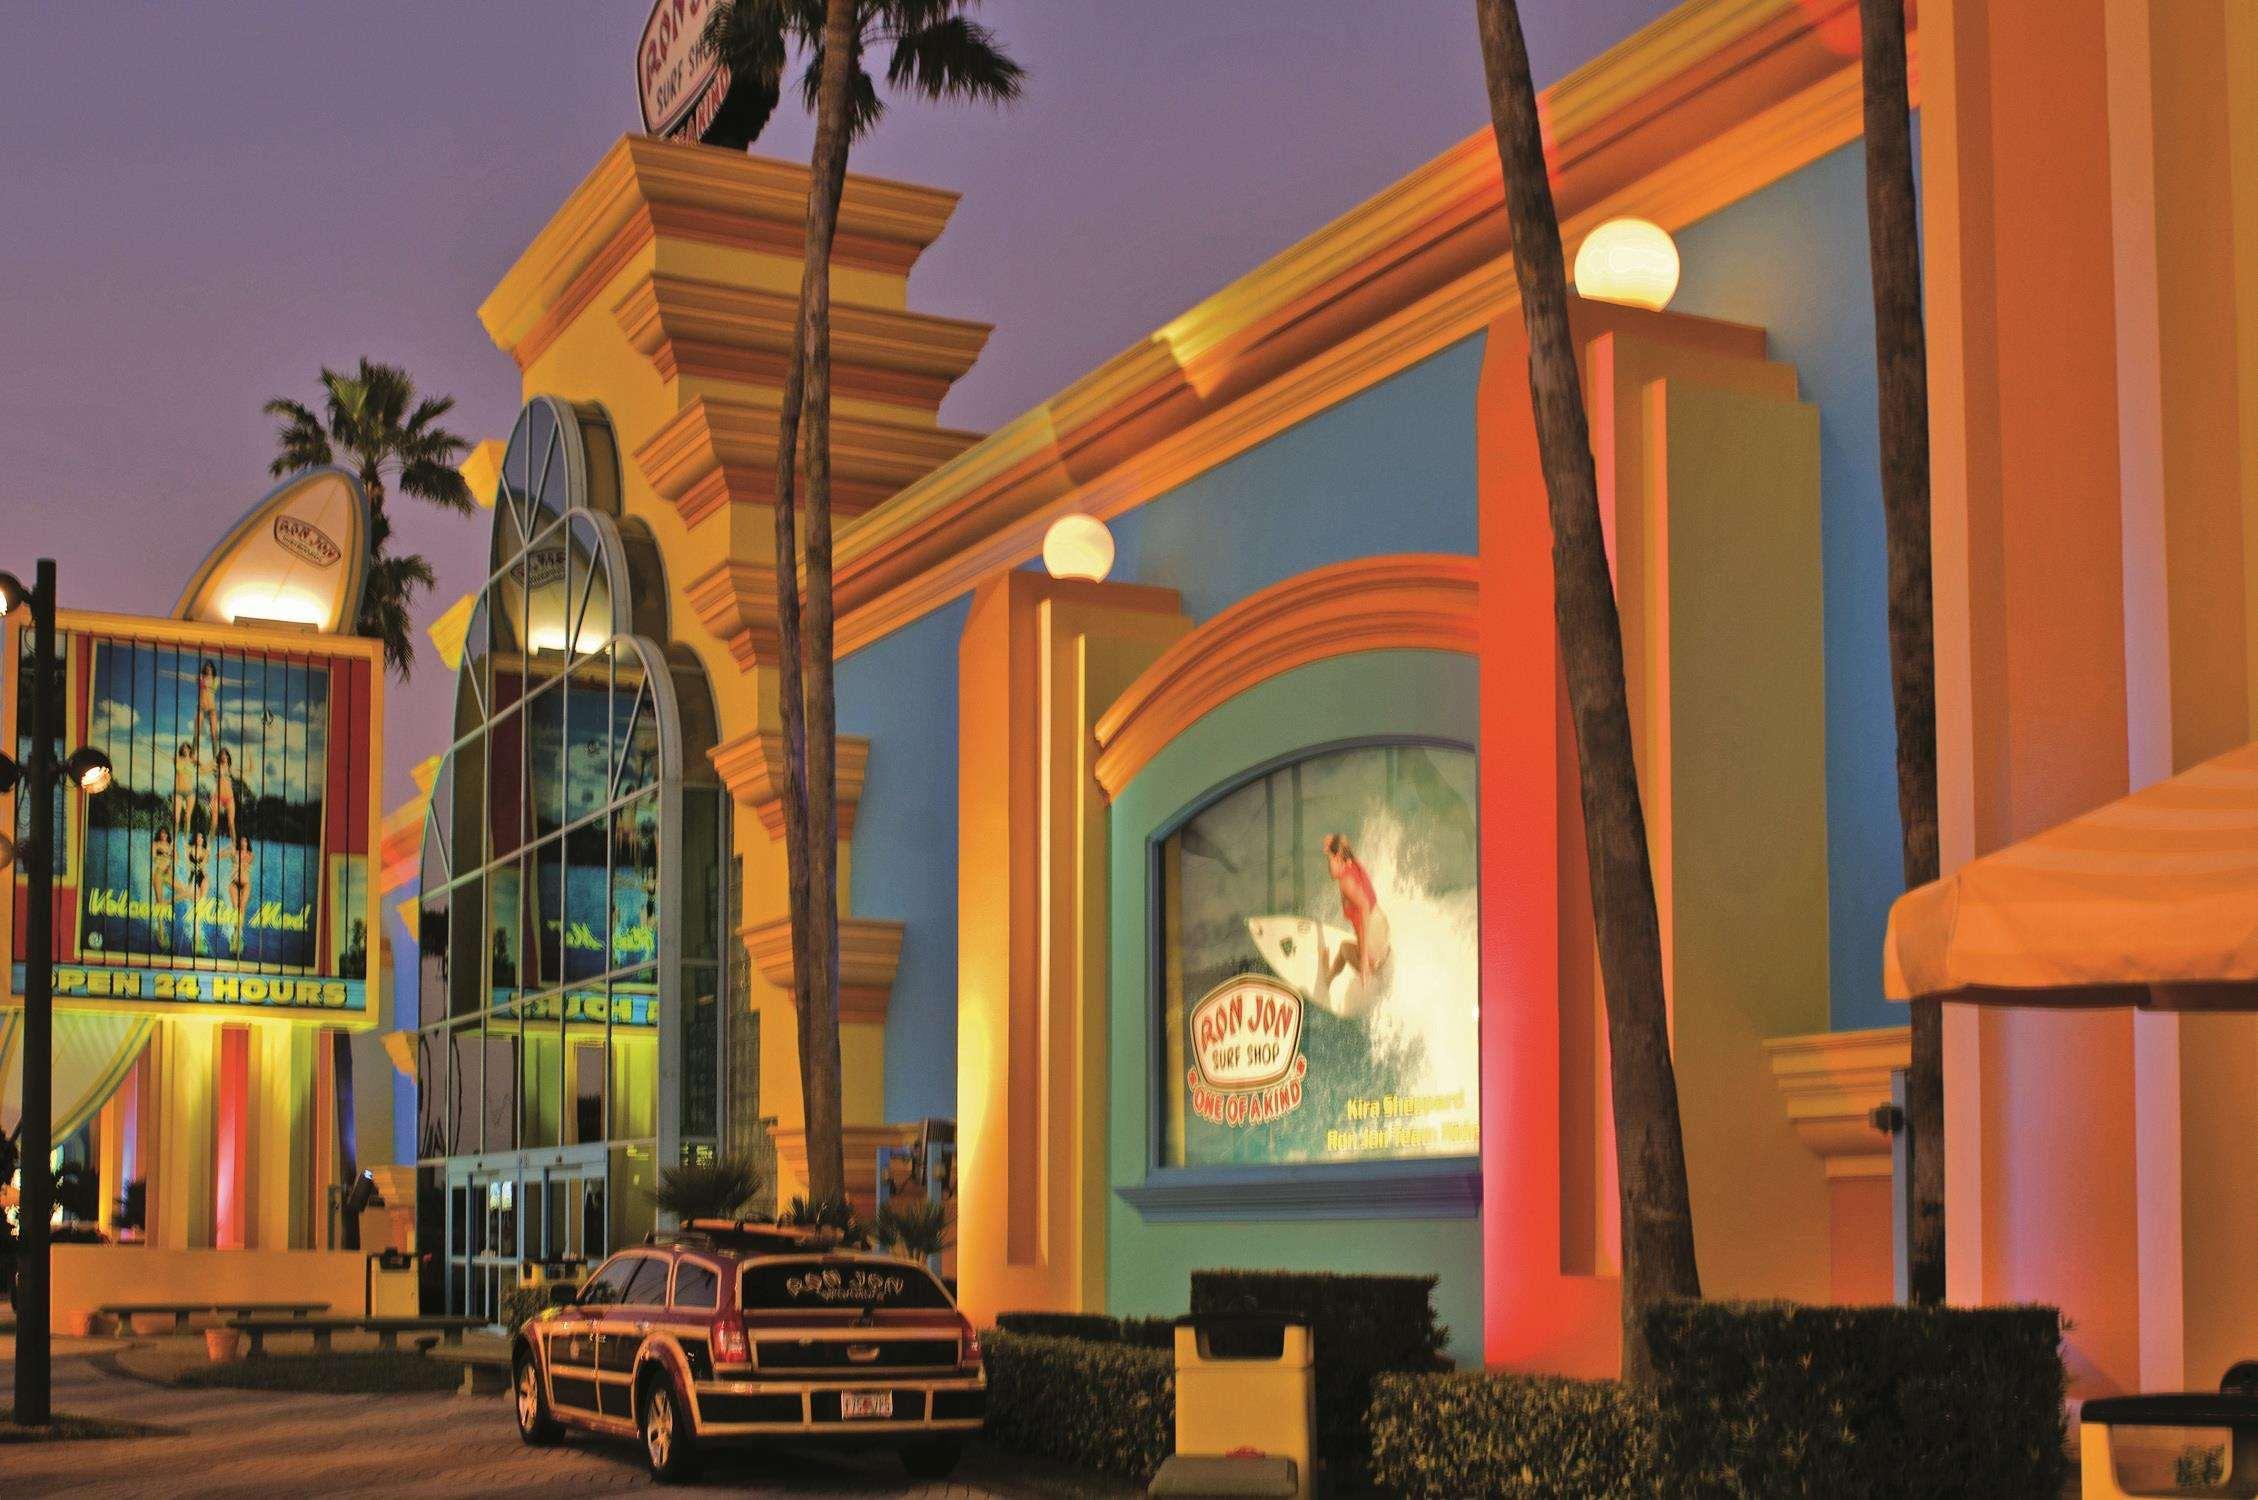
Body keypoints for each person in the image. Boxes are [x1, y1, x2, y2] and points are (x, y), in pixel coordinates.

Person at [1315, 833, 1393, 1009]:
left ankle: (1327, 979)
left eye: (1331, 860)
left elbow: (1364, 908)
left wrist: (1364, 959)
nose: (1330, 869)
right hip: (1381, 928)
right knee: (1362, 950)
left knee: (1343, 948)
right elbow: (1342, 845)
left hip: (1372, 937)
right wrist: (1330, 847)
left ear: (1338, 857)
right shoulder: (1353, 863)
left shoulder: (1346, 882)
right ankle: (1377, 970)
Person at [226, 835, 254, 955]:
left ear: (248, 843)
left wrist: (237, 862)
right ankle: (235, 934)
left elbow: (245, 863)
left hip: (246, 885)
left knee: (242, 909)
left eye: (245, 841)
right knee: (236, 910)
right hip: (233, 884)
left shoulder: (250, 855)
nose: (243, 843)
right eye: (241, 841)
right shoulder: (234, 852)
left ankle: (237, 935)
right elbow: (222, 855)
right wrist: (228, 850)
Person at [194, 660, 223, 762]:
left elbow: (228, 682)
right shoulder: (200, 677)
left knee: (214, 733)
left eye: (210, 666)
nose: (208, 668)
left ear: (212, 668)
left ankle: (215, 758)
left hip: (211, 708)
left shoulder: (216, 679)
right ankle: (193, 754)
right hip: (201, 706)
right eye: (207, 666)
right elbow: (191, 678)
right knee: (197, 731)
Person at [211, 746, 239, 844]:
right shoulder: (216, 767)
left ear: (228, 757)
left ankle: (234, 845)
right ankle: (209, 846)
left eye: (225, 755)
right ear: (220, 757)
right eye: (222, 754)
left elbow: (249, 770)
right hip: (218, 797)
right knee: (214, 823)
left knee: (231, 823)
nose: (224, 756)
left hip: (229, 798)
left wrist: (249, 754)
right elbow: (202, 770)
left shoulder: (231, 769)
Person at [172, 740, 198, 837]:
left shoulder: (193, 761)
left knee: (187, 817)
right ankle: (174, 840)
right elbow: (165, 755)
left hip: (190, 792)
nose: (185, 750)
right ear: (181, 750)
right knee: (176, 818)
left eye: (187, 748)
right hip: (178, 791)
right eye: (183, 748)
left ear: (190, 750)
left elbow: (204, 767)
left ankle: (185, 840)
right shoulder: (177, 759)